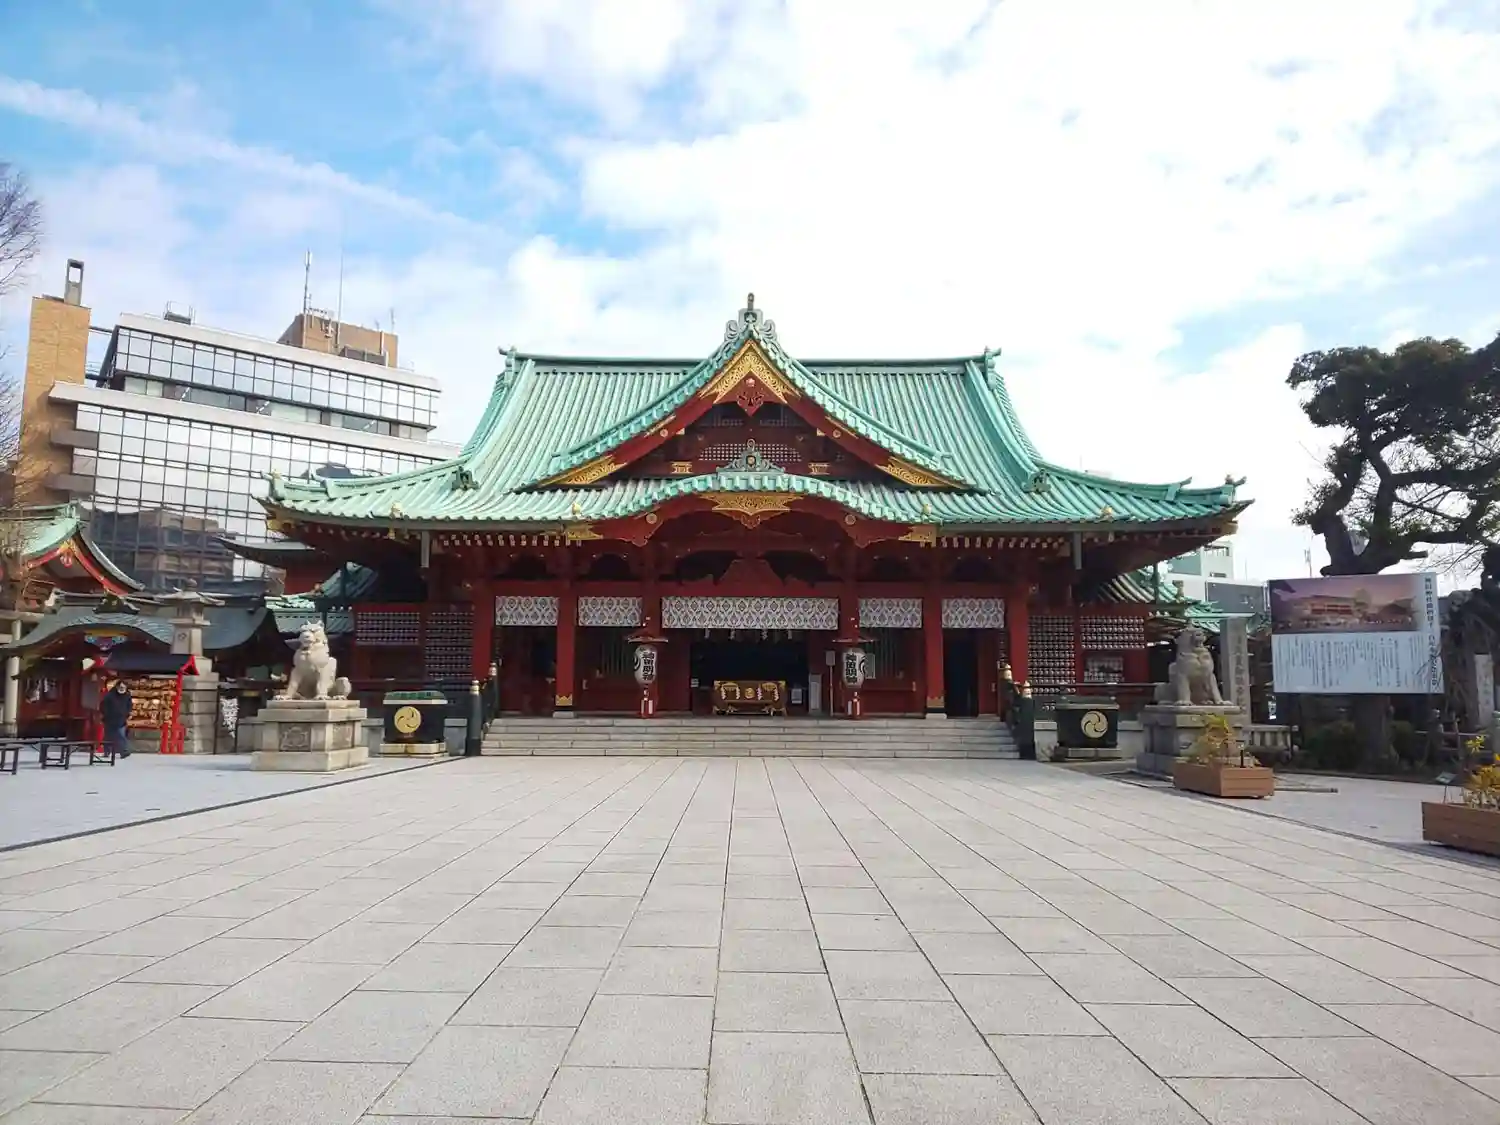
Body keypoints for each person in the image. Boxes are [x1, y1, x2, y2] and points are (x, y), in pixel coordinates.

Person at [99, 679, 133, 760]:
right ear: (117, 687)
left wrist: (127, 714)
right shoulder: (110, 695)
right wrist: (106, 714)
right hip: (109, 719)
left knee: (121, 735)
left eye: (123, 687)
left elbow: (129, 706)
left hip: (121, 719)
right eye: (120, 687)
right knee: (108, 736)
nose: (122, 689)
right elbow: (103, 705)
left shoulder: (127, 695)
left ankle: (124, 751)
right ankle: (107, 751)